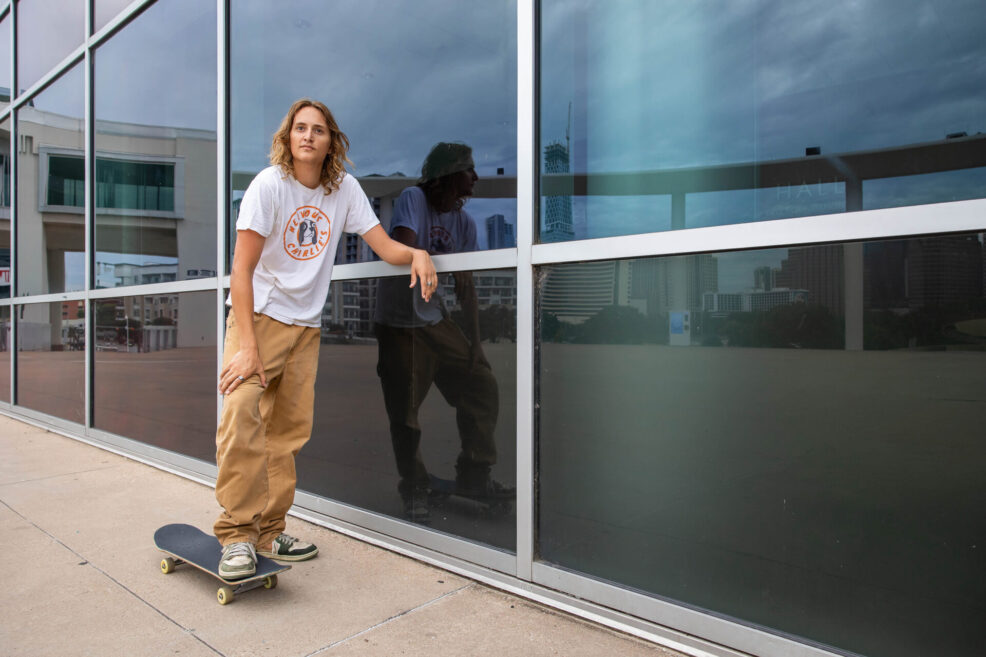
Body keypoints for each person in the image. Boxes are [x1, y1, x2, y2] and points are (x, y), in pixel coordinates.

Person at [215, 99, 437, 579]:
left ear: (330, 140)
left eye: (318, 129)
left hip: (306, 329)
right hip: (259, 320)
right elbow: (242, 269)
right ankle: (236, 535)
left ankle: (271, 531)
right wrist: (247, 344)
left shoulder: (345, 191)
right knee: (240, 415)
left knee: (286, 435)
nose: (308, 136)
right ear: (288, 137)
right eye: (300, 128)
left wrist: (416, 252)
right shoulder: (268, 186)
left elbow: (382, 243)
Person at [374, 142, 513, 524]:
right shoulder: (413, 198)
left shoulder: (464, 224)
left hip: (435, 320)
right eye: (469, 171)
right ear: (449, 174)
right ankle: (415, 487)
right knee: (405, 413)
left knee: (481, 384)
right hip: (399, 324)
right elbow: (403, 243)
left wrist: (476, 346)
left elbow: (466, 287)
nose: (476, 179)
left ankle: (475, 473)